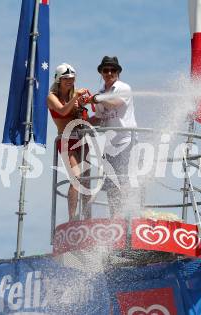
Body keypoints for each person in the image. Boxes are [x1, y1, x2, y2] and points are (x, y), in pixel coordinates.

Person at [88, 56, 137, 217]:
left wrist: (95, 98)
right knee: (110, 182)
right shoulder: (102, 93)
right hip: (109, 144)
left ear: (118, 72)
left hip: (125, 140)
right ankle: (115, 216)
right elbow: (99, 117)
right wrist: (80, 121)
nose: (109, 73)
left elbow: (113, 103)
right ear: (101, 73)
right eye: (105, 70)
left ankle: (129, 215)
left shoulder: (123, 88)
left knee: (123, 178)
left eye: (113, 70)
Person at [47, 63, 92, 221]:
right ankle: (72, 218)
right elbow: (62, 110)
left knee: (87, 179)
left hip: (82, 138)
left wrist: (91, 101)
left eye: (72, 78)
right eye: (66, 78)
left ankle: (87, 216)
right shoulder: (52, 97)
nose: (70, 81)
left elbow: (84, 116)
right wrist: (75, 98)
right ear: (59, 79)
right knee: (76, 177)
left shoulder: (76, 96)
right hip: (66, 139)